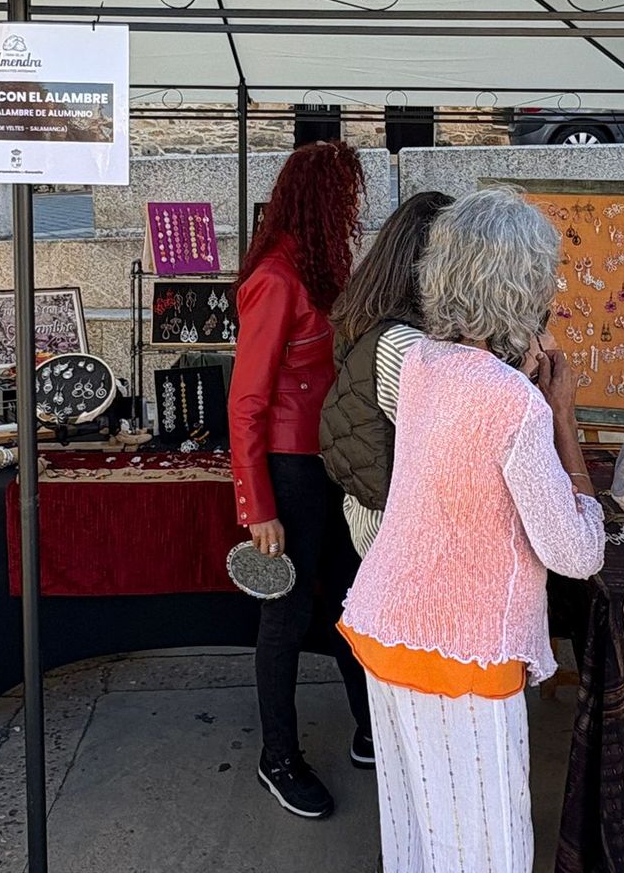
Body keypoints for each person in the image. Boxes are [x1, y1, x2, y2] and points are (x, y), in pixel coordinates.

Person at [340, 188, 606, 873]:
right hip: (458, 644)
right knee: (486, 851)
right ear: (528, 284)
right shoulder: (511, 399)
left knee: (416, 840)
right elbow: (576, 554)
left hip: (385, 621)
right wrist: (564, 423)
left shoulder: (427, 362)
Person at [228, 139, 373, 820]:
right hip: (289, 469)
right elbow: (247, 401)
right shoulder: (278, 277)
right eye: (344, 195)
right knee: (284, 616)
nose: (354, 208)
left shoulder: (323, 264)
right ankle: (276, 757)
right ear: (320, 200)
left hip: (330, 461)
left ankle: (369, 725)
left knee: (351, 596)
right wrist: (257, 505)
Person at [320, 190, 454, 557]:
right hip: (400, 537)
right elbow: (449, 450)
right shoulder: (404, 345)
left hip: (379, 522)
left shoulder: (377, 327)